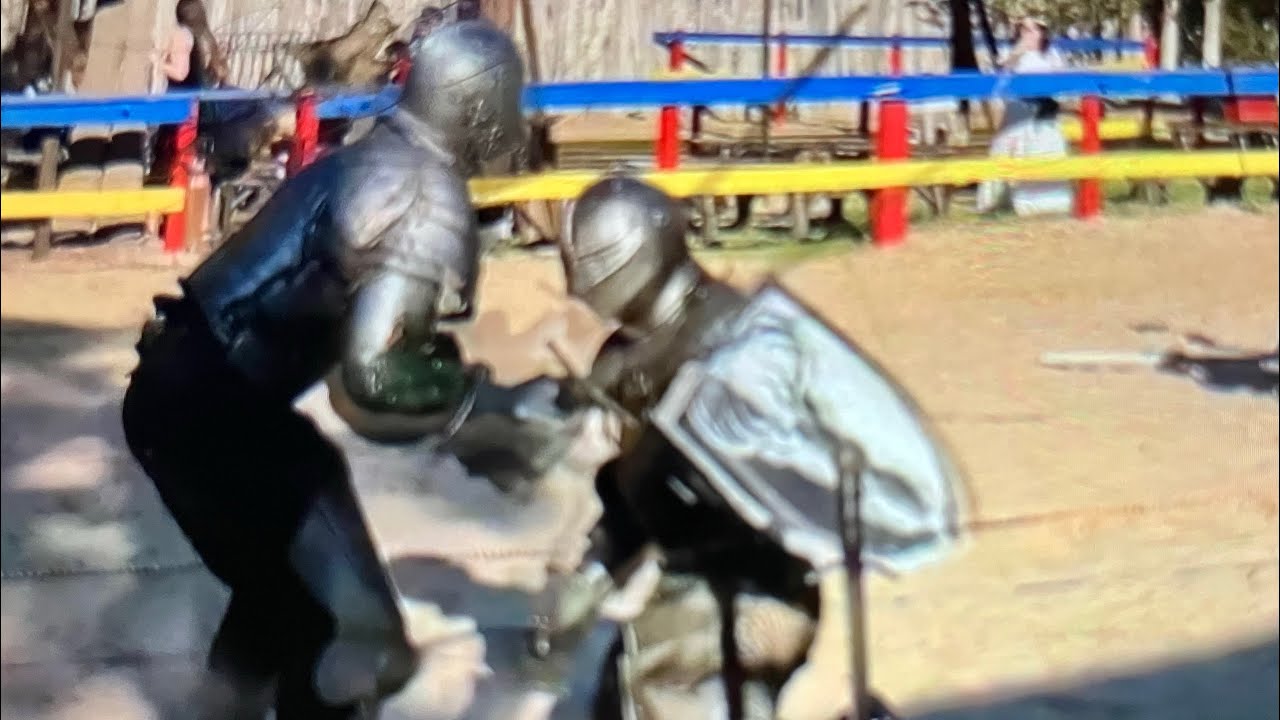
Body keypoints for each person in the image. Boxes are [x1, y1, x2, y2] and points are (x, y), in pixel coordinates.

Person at [121, 20, 538, 720]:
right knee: (356, 636)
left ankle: (218, 707)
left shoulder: (371, 160)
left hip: (178, 393)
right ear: (473, 103)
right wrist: (477, 415)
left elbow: (365, 356)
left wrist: (453, 392)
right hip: (218, 411)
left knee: (281, 595)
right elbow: (373, 377)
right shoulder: (422, 192)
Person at [541, 175, 965, 720]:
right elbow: (640, 487)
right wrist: (598, 564)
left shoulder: (740, 342)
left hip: (760, 585)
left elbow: (778, 465)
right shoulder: (623, 364)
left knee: (684, 700)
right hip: (685, 582)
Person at [980, 16, 1074, 216]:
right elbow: (1001, 78)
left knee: (1047, 154)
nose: (1029, 34)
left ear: (1042, 32)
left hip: (1045, 113)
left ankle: (1046, 204)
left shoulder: (1052, 54)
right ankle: (995, 202)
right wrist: (1017, 53)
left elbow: (1062, 81)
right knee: (1004, 154)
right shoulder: (1012, 53)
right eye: (1025, 29)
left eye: (1034, 29)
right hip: (1019, 110)